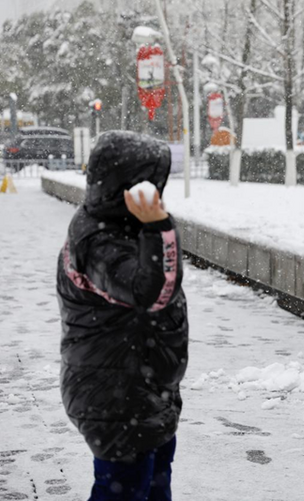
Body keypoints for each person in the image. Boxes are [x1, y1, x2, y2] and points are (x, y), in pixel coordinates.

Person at [56, 131, 188, 500]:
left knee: (153, 484)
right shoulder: (100, 241)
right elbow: (151, 293)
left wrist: (152, 227)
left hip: (142, 391)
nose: (157, 194)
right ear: (125, 186)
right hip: (115, 396)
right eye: (151, 183)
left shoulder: (120, 227)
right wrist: (159, 225)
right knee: (124, 491)